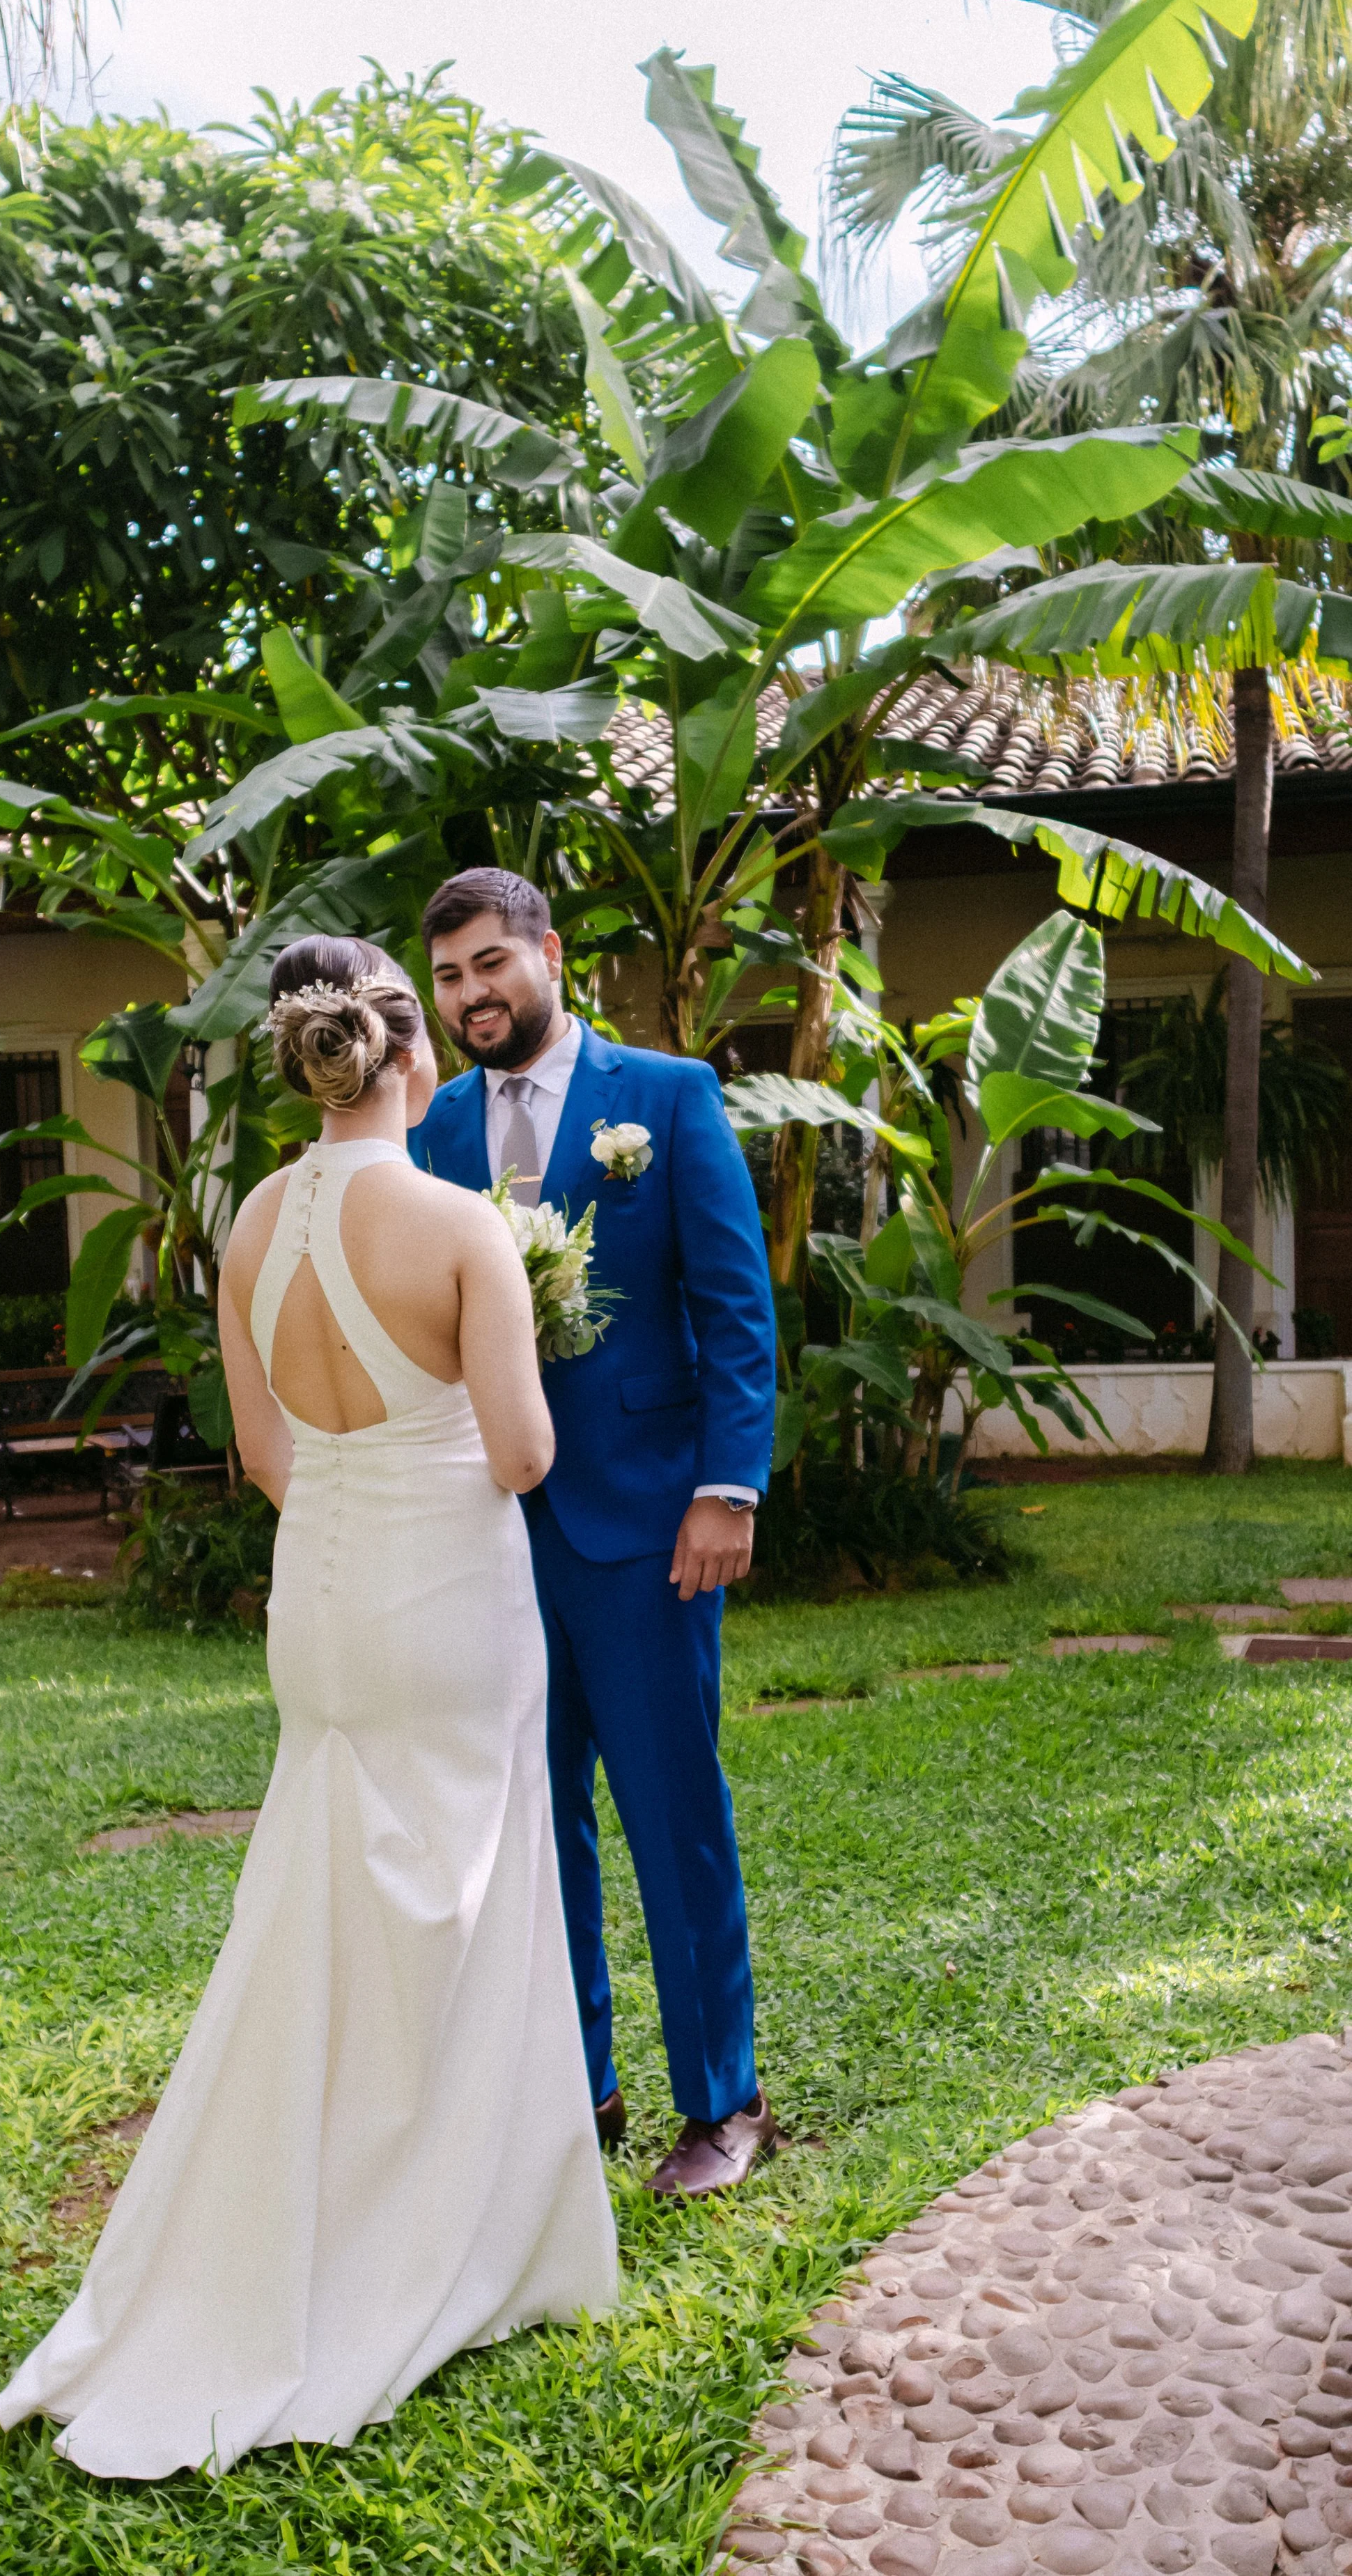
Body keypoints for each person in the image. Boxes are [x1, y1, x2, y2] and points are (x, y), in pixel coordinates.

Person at [0, 935, 616, 2481]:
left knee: (330, 1903)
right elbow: (523, 1456)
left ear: (302, 1057)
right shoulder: (464, 1226)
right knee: (461, 1911)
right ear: (410, 1055)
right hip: (449, 1601)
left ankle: (297, 2212)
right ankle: (445, 2241)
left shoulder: (254, 1223)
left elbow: (266, 1459)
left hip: (320, 1608)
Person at [407, 867, 779, 2201]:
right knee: (531, 1819)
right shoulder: (438, 1126)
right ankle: (580, 2087)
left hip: (649, 1523)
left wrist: (727, 1487)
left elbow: (736, 1305)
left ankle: (724, 2102)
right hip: (496, 1534)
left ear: (549, 954)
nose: (473, 996)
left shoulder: (666, 1097)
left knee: (671, 1812)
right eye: (449, 977)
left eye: (492, 964)